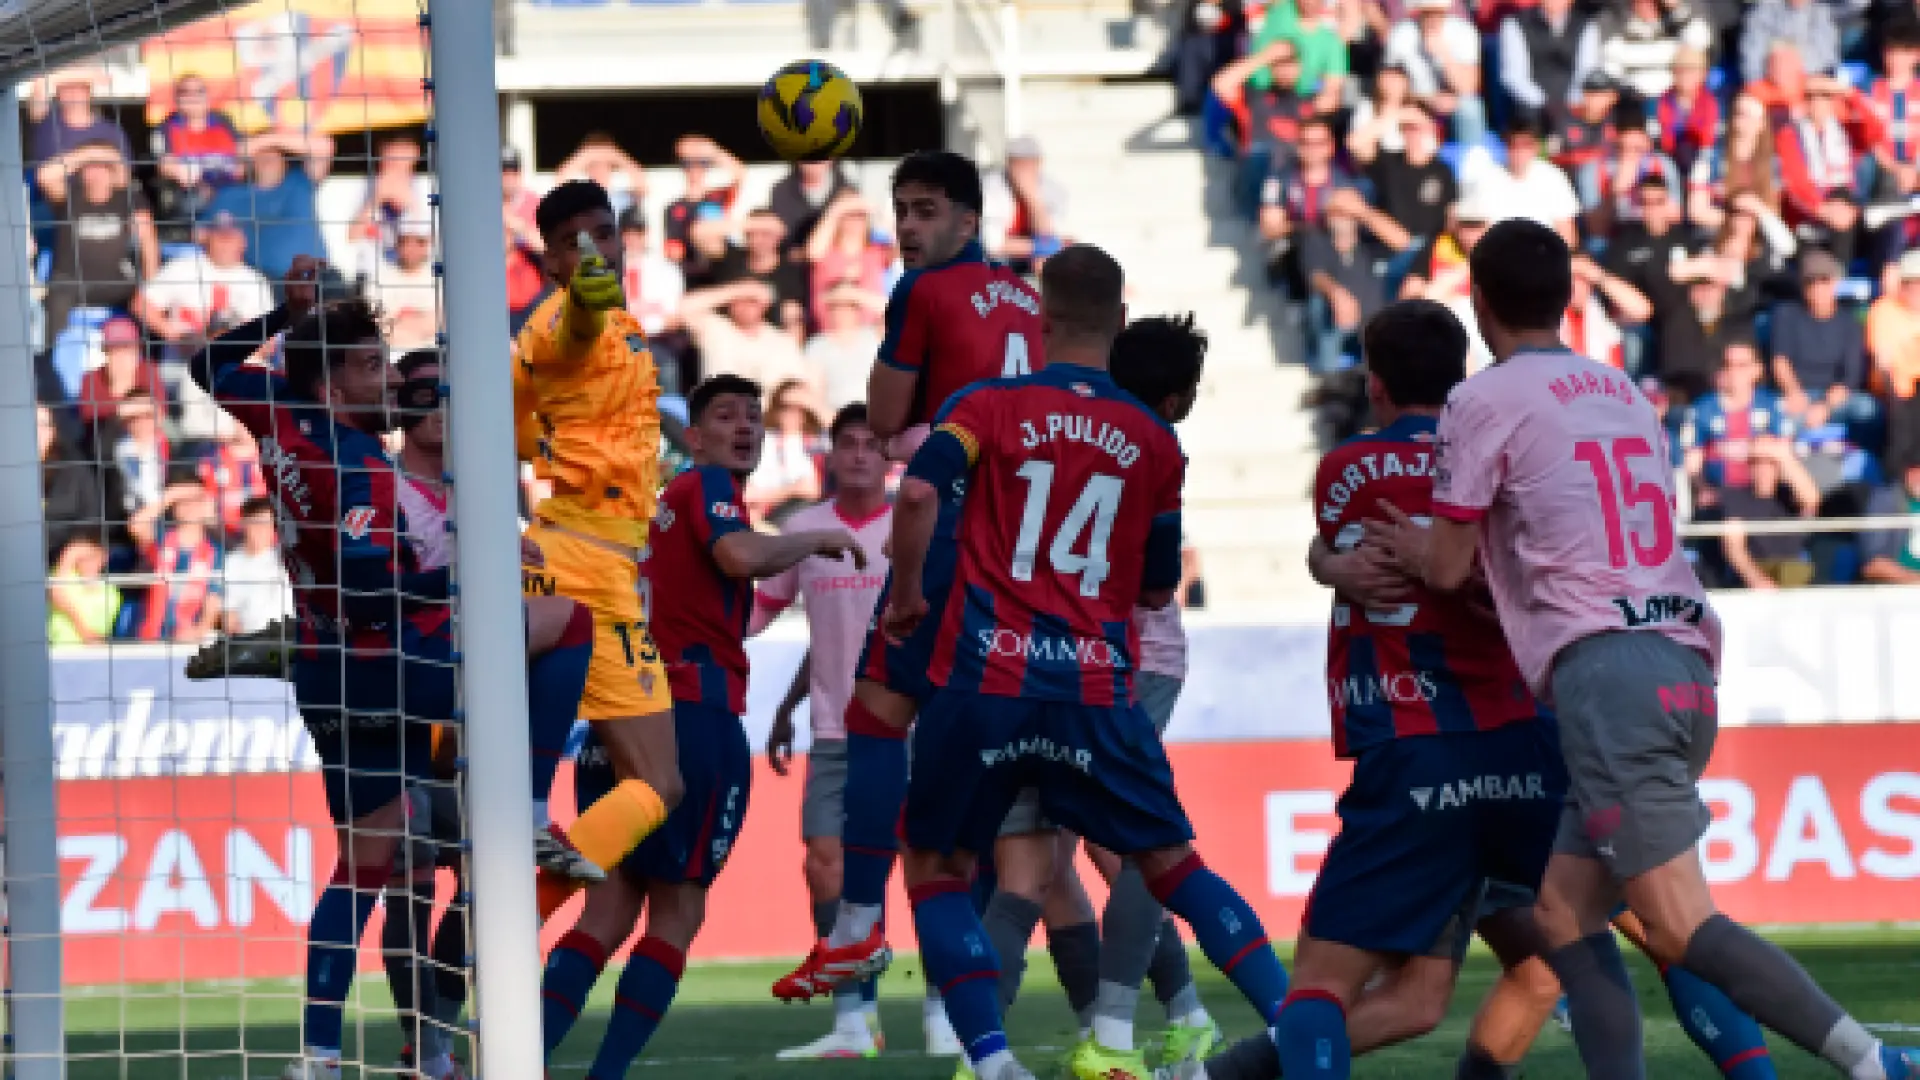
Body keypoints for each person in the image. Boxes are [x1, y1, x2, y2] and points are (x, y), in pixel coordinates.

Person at [1366, 218, 1920, 1080]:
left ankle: (1872, 1062)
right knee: (1562, 913)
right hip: (1679, 653)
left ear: (1476, 302)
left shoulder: (1481, 399)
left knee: (1679, 924)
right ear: (1568, 298)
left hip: (1606, 668)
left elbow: (1444, 566)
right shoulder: (1623, 389)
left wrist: (1405, 548)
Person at [877, 246, 1289, 1080]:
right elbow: (1157, 585)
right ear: (1120, 321)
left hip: (987, 677)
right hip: (1096, 686)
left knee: (939, 867)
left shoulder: (984, 405)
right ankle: (1297, 1024)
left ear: (1040, 317)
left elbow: (917, 492)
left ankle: (992, 1061)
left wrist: (909, 594)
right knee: (1174, 865)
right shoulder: (1154, 439)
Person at [187, 259, 599, 1079]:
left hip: (326, 675)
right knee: (569, 621)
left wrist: (284, 315)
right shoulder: (362, 468)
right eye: (373, 366)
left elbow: (208, 365)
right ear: (334, 383)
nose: (390, 382)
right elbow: (371, 590)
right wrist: (469, 572)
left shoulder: (278, 412)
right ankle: (527, 805)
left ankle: (319, 1053)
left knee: (364, 870)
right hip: (396, 668)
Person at [771, 150, 1045, 1003]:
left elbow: (887, 421)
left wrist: (915, 434)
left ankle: (856, 925)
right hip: (1025, 553)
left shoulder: (923, 291)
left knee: (874, 714)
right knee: (1070, 840)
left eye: (927, 210)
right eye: (903, 210)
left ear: (969, 218)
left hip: (954, 529)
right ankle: (1135, 1014)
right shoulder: (1026, 299)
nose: (910, 227)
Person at [538, 375, 867, 1073]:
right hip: (689, 715)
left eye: (753, 415)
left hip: (625, 712)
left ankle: (522, 1057)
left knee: (606, 911)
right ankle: (605, 1073)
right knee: (677, 913)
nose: (745, 426)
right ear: (693, 437)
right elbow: (738, 556)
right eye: (725, 415)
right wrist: (814, 539)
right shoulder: (707, 487)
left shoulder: (664, 505)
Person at [513, 181, 694, 920]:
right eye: (575, 243)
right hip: (579, 567)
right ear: (552, 262)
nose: (597, 253)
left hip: (599, 559)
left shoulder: (618, 324)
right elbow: (576, 330)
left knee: (657, 783)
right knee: (657, 781)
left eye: (605, 235)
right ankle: (508, 918)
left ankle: (496, 927)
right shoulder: (564, 321)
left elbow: (514, 424)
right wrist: (585, 298)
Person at [1057, 314, 1222, 1077]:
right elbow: (1158, 580)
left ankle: (1124, 1029)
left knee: (1121, 843)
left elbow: (1151, 588)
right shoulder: (1152, 445)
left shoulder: (1085, 436)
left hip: (1125, 658)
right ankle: (1172, 1018)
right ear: (1178, 397)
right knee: (1092, 844)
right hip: (1106, 656)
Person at [755, 403, 903, 1061]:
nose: (860, 454)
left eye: (872, 444)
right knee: (824, 863)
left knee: (930, 864)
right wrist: (788, 705)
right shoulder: (803, 529)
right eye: (848, 443)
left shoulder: (913, 524)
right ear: (831, 454)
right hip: (835, 729)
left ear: (888, 457)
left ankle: (943, 1014)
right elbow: (767, 612)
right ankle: (854, 1019)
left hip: (912, 725)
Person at [38, 141, 158, 342]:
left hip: (116, 283)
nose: (96, 174)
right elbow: (45, 176)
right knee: (56, 301)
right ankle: (50, 358)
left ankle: (145, 355)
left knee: (147, 305)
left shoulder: (128, 199)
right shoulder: (67, 197)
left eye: (103, 167)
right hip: (70, 283)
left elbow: (148, 242)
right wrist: (87, 154)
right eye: (89, 168)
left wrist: (151, 285)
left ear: (113, 173)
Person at [203, 129, 335, 286]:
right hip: (263, 283)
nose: (267, 160)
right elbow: (202, 235)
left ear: (285, 161)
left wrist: (265, 140)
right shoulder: (230, 196)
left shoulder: (299, 181)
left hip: (316, 277)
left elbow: (324, 147)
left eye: (275, 154)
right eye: (261, 155)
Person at [1771, 248, 1874, 440]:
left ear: (1836, 282)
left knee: (1868, 410)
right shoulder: (1786, 314)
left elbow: (1850, 376)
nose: (1818, 288)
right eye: (1811, 282)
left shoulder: (1849, 323)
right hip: (1796, 393)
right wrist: (1793, 392)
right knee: (1776, 415)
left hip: (1834, 397)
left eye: (1824, 280)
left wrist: (1825, 407)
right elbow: (1780, 361)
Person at [1680, 338, 1800, 496]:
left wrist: (1751, 450)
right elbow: (1691, 462)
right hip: (1719, 493)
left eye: (1742, 365)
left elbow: (1785, 451)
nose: (1734, 372)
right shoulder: (1701, 409)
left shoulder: (1772, 404)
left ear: (1757, 370)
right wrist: (1703, 490)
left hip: (1766, 492)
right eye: (1728, 365)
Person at [135, 210, 275, 344]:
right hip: (184, 356)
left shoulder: (255, 282)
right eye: (220, 238)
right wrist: (176, 336)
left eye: (229, 238)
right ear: (207, 238)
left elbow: (269, 341)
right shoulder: (182, 267)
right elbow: (142, 304)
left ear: (242, 242)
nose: (225, 245)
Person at [1711, 439, 1822, 588]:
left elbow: (1812, 500)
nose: (1763, 469)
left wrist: (1782, 455)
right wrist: (1756, 579)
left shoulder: (1790, 495)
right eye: (1756, 463)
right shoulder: (1735, 496)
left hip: (1792, 570)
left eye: (1770, 463)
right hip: (1756, 569)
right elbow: (1733, 546)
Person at [680, 277, 814, 391]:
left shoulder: (782, 342)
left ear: (764, 305)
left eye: (752, 301)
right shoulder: (715, 328)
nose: (745, 306)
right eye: (739, 300)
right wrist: (738, 289)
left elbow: (799, 385)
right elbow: (683, 308)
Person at [1385, 0, 1488, 146]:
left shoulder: (1464, 32)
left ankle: (1470, 154)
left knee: (1471, 108)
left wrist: (1444, 55)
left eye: (1438, 13)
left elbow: (1469, 87)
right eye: (1428, 13)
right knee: (1390, 109)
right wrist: (1426, 99)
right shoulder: (1401, 33)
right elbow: (1388, 83)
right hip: (1414, 101)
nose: (1433, 18)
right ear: (1419, 12)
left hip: (1454, 102)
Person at [151, 73, 243, 234]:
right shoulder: (166, 128)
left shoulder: (224, 122)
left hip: (231, 193)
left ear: (207, 96)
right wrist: (203, 185)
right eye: (185, 92)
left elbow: (242, 159)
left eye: (199, 91)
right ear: (177, 99)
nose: (192, 96)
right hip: (193, 196)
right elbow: (166, 166)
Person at [1470, 114, 1581, 245]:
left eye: (1526, 145)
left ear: (1536, 147)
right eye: (1513, 145)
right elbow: (1476, 229)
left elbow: (1566, 230)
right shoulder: (1487, 177)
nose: (1519, 152)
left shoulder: (1554, 177)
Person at [1499, 0, 1601, 124]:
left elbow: (1586, 70)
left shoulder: (1587, 24)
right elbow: (1513, 75)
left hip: (1573, 105)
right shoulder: (1514, 23)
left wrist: (1570, 104)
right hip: (1530, 105)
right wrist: (1544, 104)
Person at [982, 136, 1073, 273]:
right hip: (994, 260)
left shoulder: (1054, 190)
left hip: (1029, 257)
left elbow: (1050, 236)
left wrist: (1032, 198)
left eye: (1030, 164)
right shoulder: (990, 188)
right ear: (1009, 164)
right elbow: (992, 245)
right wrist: (1041, 247)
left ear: (1039, 163)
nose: (1024, 171)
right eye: (1019, 164)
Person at [1867, 251, 1920, 473]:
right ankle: (1898, 475)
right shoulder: (1884, 309)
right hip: (1894, 388)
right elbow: (1883, 360)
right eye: (1912, 283)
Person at [1597, 0, 1713, 101]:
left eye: (1652, 1)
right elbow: (1610, 65)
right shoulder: (1614, 23)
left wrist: (1677, 7)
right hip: (1631, 100)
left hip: (1672, 99)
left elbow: (1699, 41)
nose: (1646, 5)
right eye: (1640, 2)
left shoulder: (1677, 24)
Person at [809, 195, 892, 329]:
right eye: (850, 215)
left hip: (869, 332)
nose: (856, 221)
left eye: (861, 216)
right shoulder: (825, 252)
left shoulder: (876, 253)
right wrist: (838, 209)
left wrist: (878, 211)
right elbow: (812, 253)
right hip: (829, 332)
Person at [807, 282, 886, 413]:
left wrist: (856, 294)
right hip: (837, 416)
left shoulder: (875, 336)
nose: (841, 312)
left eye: (848, 305)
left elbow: (902, 312)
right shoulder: (817, 346)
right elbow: (815, 395)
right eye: (835, 306)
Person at [369, 217, 440, 351]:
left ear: (429, 244)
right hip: (392, 351)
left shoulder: (441, 276)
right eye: (404, 241)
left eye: (419, 242)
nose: (410, 248)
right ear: (396, 244)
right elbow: (375, 323)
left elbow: (447, 320)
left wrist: (403, 323)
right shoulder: (379, 276)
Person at [1741, 0, 1840, 88]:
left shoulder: (1822, 13)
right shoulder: (1762, 12)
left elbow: (1828, 60)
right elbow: (1751, 62)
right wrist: (1774, 69)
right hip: (1769, 83)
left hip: (1810, 85)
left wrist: (1793, 62)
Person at [769, 160, 858, 253]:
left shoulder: (848, 190)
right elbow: (782, 236)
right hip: (793, 257)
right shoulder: (781, 192)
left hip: (837, 256)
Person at [48, 533, 120, 646]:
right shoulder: (67, 578)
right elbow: (55, 593)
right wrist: (70, 553)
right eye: (81, 558)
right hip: (60, 647)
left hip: (89, 651)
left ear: (103, 557)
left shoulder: (110, 592)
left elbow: (99, 633)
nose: (86, 562)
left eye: (91, 556)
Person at [1859, 462, 1920, 583]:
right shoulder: (1886, 501)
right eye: (1914, 469)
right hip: (1897, 588)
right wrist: (1915, 580)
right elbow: (1873, 565)